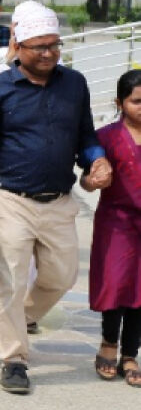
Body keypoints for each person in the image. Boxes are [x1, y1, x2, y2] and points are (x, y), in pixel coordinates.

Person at [0, 3, 113, 394]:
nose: (49, 53)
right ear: (18, 46)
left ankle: (15, 317)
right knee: (11, 282)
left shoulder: (75, 84)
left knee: (62, 276)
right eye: (39, 47)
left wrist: (97, 160)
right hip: (9, 200)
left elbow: (85, 135)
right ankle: (14, 359)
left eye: (54, 45)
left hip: (59, 200)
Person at [90, 70, 141, 386]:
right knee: (117, 285)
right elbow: (88, 175)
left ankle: (130, 354)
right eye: (137, 101)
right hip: (116, 222)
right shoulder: (106, 137)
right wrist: (92, 179)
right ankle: (109, 344)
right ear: (119, 102)